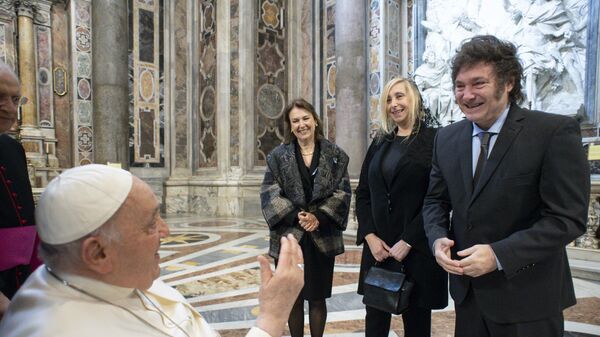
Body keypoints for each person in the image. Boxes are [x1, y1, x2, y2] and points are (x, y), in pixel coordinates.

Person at [0, 164, 305, 336]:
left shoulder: (112, 276)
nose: (166, 231)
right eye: (150, 224)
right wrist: (271, 317)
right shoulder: (59, 329)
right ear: (98, 254)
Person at [422, 35, 589, 337]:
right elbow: (435, 201)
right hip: (468, 296)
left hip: (529, 298)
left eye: (478, 83)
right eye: (460, 86)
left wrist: (499, 255)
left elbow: (567, 218)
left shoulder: (552, 132)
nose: (467, 95)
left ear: (508, 82)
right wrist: (437, 239)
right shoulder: (445, 139)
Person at [355, 78, 447, 337]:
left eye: (399, 97)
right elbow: (363, 194)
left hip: (415, 250)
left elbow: (439, 196)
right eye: (388, 99)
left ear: (414, 99)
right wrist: (370, 236)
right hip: (379, 251)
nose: (394, 104)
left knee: (417, 326)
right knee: (375, 324)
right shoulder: (381, 141)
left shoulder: (435, 140)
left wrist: (409, 240)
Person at [260, 98, 351, 337]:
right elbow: (269, 192)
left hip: (322, 235)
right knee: (295, 299)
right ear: (290, 126)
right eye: (295, 121)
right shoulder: (278, 157)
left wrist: (318, 217)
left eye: (305, 118)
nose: (301, 124)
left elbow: (343, 192)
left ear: (315, 120)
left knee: (318, 298)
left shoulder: (335, 155)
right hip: (291, 237)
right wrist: (296, 215)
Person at [0, 62, 40, 319]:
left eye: (15, 99)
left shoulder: (13, 149)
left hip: (19, 279)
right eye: (0, 97)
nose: (11, 108)